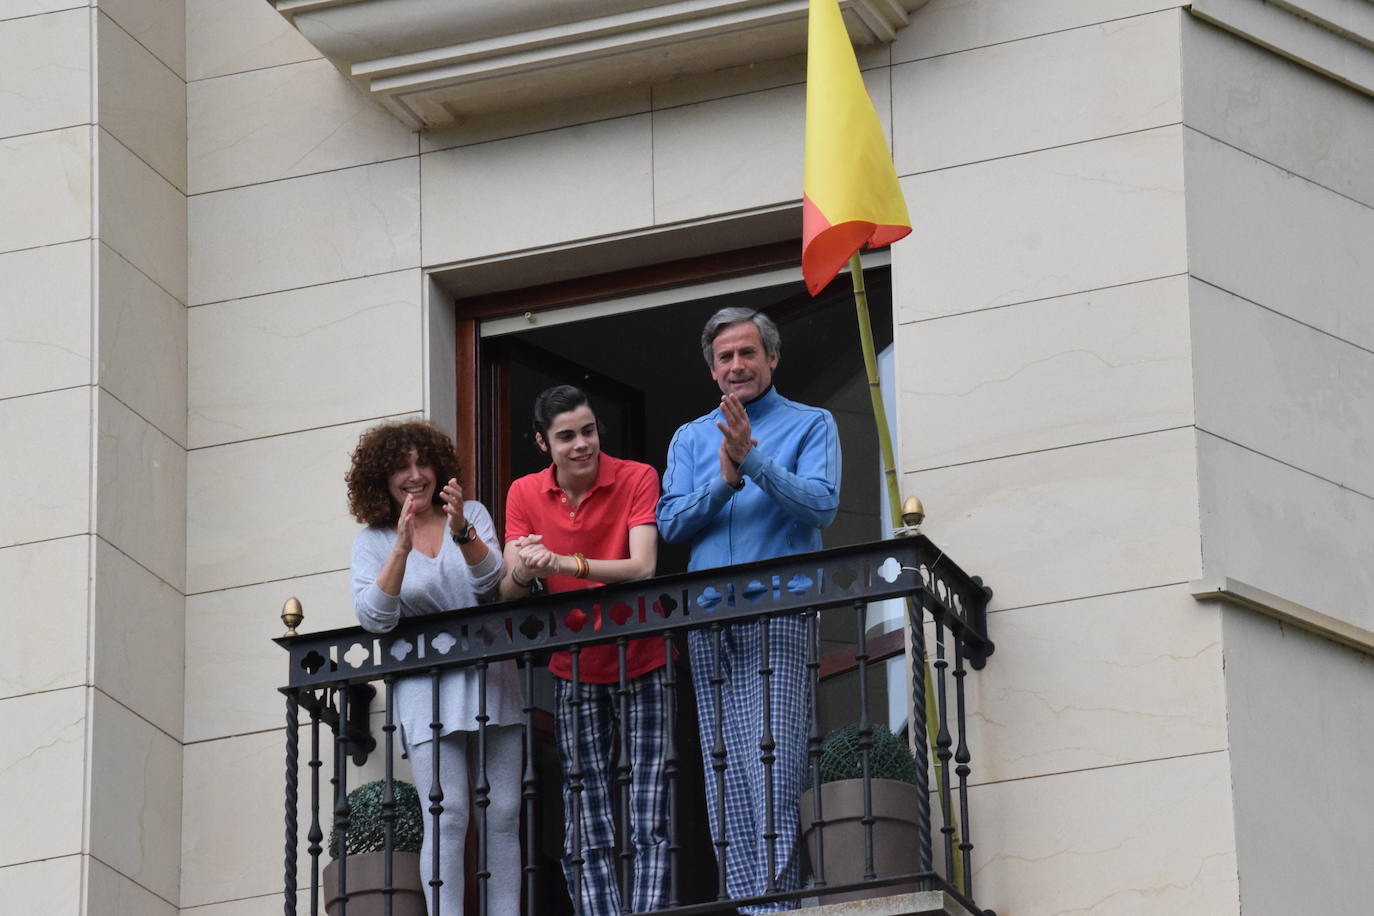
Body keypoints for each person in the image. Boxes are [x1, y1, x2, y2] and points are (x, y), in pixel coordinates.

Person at [656, 307, 841, 912]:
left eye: (748, 354)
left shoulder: (812, 424)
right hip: (710, 621)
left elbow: (821, 505)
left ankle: (775, 905)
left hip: (779, 615)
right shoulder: (689, 437)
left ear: (773, 359)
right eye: (726, 357)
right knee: (725, 774)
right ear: (712, 370)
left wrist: (754, 459)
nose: (738, 366)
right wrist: (727, 477)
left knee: (775, 766)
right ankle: (749, 903)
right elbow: (672, 522)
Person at [499, 385, 667, 916]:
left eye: (588, 430)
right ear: (543, 443)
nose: (582, 444)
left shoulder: (638, 476)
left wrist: (563, 564)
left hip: (644, 653)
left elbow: (643, 567)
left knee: (649, 800)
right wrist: (526, 568)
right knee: (583, 806)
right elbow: (510, 587)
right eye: (567, 436)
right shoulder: (523, 493)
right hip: (571, 661)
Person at [347, 420, 523, 916]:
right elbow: (375, 617)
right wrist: (401, 546)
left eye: (423, 463)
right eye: (402, 466)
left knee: (503, 813)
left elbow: (492, 584)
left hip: (490, 672)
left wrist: (461, 529)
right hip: (425, 685)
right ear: (381, 479)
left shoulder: (471, 516)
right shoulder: (373, 542)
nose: (415, 474)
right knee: (447, 815)